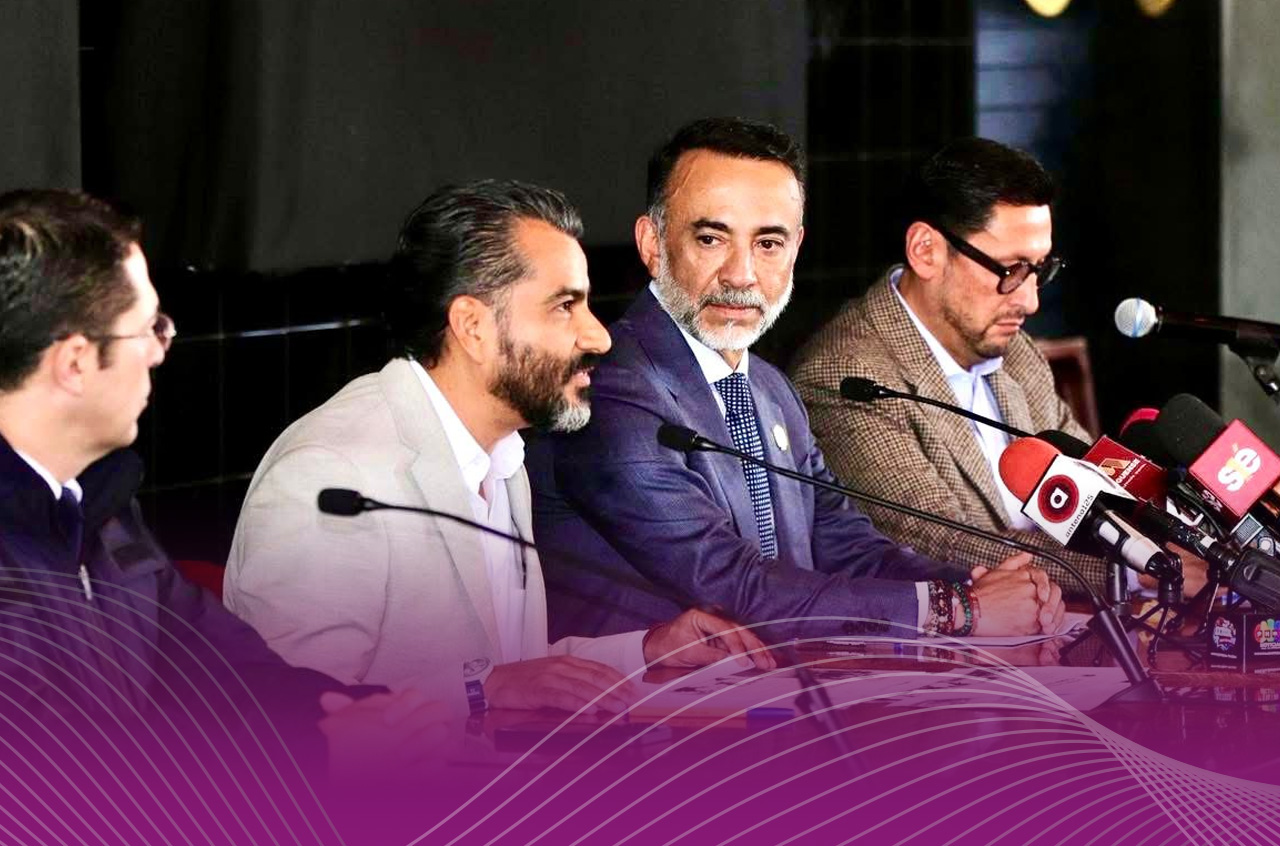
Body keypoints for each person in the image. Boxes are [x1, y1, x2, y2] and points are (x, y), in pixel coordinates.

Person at [224, 180, 771, 721]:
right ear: (473, 327)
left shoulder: (503, 455)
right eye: (565, 306)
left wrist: (647, 650)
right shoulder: (331, 475)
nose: (599, 337)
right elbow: (290, 716)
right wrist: (480, 691)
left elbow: (511, 671)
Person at [0, 189, 452, 832]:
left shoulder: (98, 503)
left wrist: (374, 716)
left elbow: (223, 667)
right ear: (75, 363)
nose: (161, 349)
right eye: (148, 328)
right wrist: (321, 756)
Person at [527, 118, 1065, 643]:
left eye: (768, 244)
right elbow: (735, 586)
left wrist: (985, 589)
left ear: (796, 249)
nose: (741, 275)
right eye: (711, 239)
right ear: (652, 244)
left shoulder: (769, 387)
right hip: (644, 701)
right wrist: (961, 610)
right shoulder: (611, 388)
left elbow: (850, 550)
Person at [788, 137, 1206, 599]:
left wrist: (1178, 532)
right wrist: (1136, 571)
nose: (1030, 300)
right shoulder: (846, 378)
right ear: (926, 251)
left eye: (1040, 270)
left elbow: (1096, 491)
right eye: (1011, 271)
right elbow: (938, 541)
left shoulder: (1015, 352)